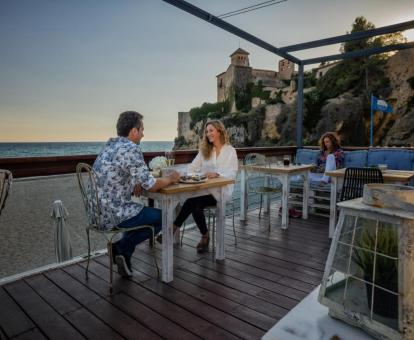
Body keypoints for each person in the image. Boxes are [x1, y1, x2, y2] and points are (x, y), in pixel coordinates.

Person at [93, 111, 180, 277]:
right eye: (142, 130)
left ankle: (123, 252)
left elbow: (116, 173)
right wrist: (170, 178)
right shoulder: (131, 148)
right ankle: (122, 248)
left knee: (141, 211)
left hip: (97, 213)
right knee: (165, 217)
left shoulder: (109, 146)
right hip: (115, 214)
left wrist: (136, 181)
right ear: (134, 131)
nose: (143, 134)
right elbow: (153, 185)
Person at [168, 119, 238, 253]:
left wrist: (217, 174)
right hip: (205, 190)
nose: (208, 134)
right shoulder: (205, 150)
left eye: (211, 130)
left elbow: (232, 173)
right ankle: (203, 235)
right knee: (194, 204)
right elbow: (193, 167)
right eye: (206, 132)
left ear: (219, 131)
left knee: (193, 203)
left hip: (221, 191)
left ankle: (175, 229)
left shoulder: (230, 151)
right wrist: (180, 174)